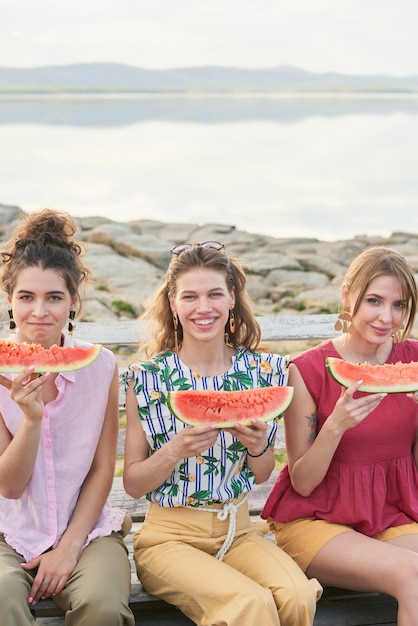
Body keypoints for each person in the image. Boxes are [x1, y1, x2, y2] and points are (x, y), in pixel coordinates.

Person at [122, 240, 322, 626]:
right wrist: (173, 451)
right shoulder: (146, 379)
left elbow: (262, 473)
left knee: (297, 597)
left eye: (215, 294)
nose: (203, 307)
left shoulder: (264, 372)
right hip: (168, 539)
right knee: (251, 604)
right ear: (174, 304)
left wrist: (257, 446)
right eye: (190, 296)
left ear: (232, 297)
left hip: (239, 529)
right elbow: (132, 483)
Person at [262, 245, 418, 626]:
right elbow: (302, 481)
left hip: (389, 514)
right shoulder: (307, 370)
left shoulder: (413, 360)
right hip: (315, 521)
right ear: (348, 296)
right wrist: (335, 426)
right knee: (411, 574)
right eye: (374, 301)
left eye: (399, 305)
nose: (386, 317)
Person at [0, 209, 134, 626]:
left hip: (87, 531)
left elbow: (101, 468)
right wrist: (31, 418)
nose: (39, 311)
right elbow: (9, 484)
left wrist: (69, 548)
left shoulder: (102, 366)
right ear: (9, 300)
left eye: (54, 297)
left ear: (73, 301)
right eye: (26, 297)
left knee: (104, 606)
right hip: (10, 530)